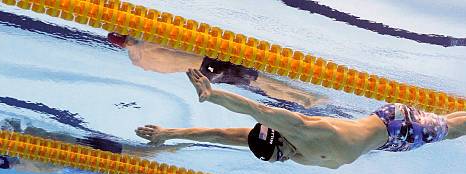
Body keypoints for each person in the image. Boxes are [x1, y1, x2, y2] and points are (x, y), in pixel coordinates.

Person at [136, 69, 466, 169]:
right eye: (276, 162)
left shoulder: (300, 131)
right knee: (447, 129)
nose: (284, 161)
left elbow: (259, 110)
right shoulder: (279, 145)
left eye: (280, 155)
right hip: (386, 143)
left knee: (456, 128)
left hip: (394, 126)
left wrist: (214, 94)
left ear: (281, 140)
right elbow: (224, 134)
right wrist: (171, 133)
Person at [108, 33, 325, 108]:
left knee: (256, 82)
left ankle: (301, 100)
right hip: (209, 63)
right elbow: (179, 45)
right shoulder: (146, 43)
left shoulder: (137, 60)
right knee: (260, 78)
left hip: (204, 71)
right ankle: (306, 97)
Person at [0, 118, 195, 174]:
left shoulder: (28, 146)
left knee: (138, 154)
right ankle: (173, 149)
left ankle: (173, 149)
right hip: (86, 149)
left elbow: (13, 123)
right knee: (138, 154)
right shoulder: (29, 144)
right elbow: (14, 123)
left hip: (86, 148)